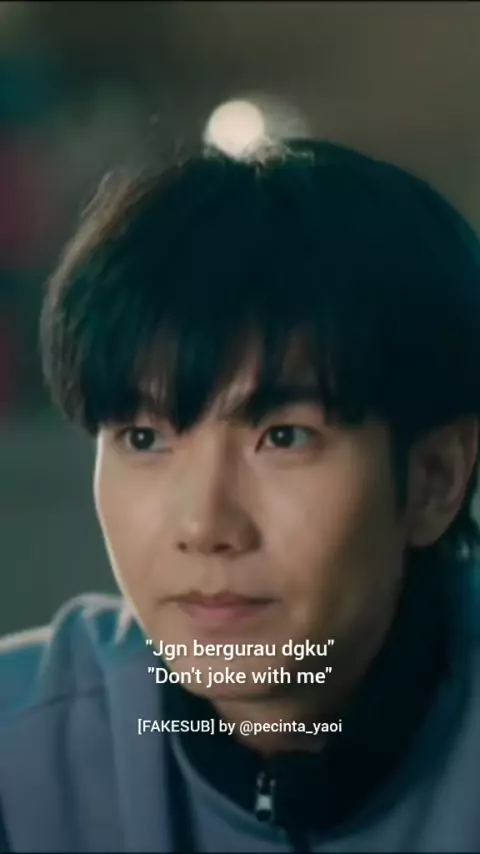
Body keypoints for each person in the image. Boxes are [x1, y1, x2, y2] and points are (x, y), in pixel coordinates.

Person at [1, 137, 480, 853]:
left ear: (435, 479)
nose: (204, 525)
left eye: (283, 437)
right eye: (143, 438)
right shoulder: (21, 757)